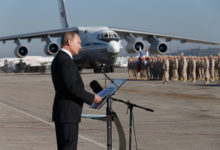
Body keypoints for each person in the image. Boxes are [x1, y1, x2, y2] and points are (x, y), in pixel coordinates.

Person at [51, 32, 102, 150]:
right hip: (67, 114)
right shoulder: (64, 60)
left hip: (65, 113)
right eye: (78, 43)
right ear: (69, 42)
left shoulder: (61, 58)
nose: (80, 46)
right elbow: (72, 87)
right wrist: (92, 98)